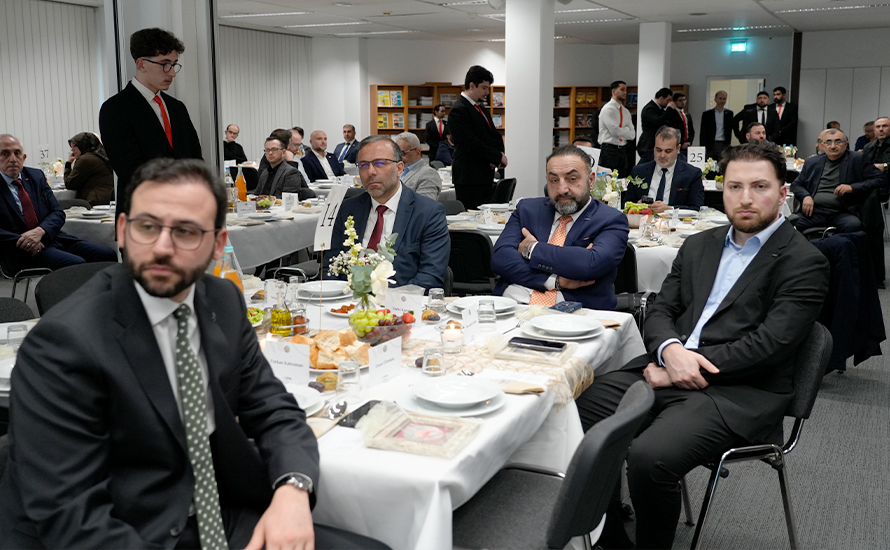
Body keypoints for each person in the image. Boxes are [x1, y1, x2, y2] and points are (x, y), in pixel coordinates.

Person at [0, 157, 387, 550]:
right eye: (147, 227)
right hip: (129, 531)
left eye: (186, 231)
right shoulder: (63, 343)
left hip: (217, 514)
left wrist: (293, 488)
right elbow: (72, 519)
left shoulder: (222, 300)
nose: (162, 247)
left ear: (218, 244)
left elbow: (275, 410)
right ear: (122, 230)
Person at [576, 140, 830, 550]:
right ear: (722, 190)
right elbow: (661, 310)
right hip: (663, 369)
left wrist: (682, 366)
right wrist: (670, 352)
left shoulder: (805, 261)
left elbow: (770, 345)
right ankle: (611, 538)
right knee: (576, 415)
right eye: (734, 187)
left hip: (738, 392)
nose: (745, 198)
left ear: (783, 193)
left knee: (649, 457)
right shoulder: (698, 244)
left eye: (760, 187)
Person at [491, 145, 628, 310]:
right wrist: (555, 281)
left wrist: (532, 249)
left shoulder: (611, 219)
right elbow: (500, 258)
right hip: (512, 304)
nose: (562, 189)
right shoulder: (527, 209)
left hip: (575, 312)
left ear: (591, 180)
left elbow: (590, 264)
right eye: (554, 180)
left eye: (572, 179)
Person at [99, 28, 202, 219]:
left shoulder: (177, 108)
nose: (172, 73)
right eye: (165, 64)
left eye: (174, 65)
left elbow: (195, 159)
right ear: (141, 64)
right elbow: (130, 169)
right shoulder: (115, 108)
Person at [325, 135, 449, 290]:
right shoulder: (347, 209)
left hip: (401, 301)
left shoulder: (428, 212)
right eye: (363, 165)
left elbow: (430, 277)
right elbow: (330, 268)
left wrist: (386, 301)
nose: (370, 172)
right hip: (349, 300)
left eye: (380, 163)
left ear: (399, 168)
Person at [0, 134, 117, 273]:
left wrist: (40, 231)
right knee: (76, 264)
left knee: (107, 254)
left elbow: (57, 212)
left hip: (51, 237)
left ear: (24, 157)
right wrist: (26, 240)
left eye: (17, 153)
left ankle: (105, 287)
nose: (13, 159)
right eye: (5, 154)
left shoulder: (36, 176)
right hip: (20, 249)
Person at [790, 128, 884, 233]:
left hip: (843, 212)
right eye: (828, 142)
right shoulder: (812, 162)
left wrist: (852, 187)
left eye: (838, 141)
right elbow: (796, 184)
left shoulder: (857, 159)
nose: (833, 146)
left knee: (854, 227)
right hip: (814, 212)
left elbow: (879, 179)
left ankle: (833, 244)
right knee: (787, 225)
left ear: (846, 144)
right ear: (823, 145)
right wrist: (806, 196)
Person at [449, 65, 507, 210]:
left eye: (488, 88)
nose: (487, 92)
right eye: (484, 88)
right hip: (469, 177)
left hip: (484, 174)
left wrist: (498, 154)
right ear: (472, 86)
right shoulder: (458, 110)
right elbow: (470, 143)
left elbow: (494, 135)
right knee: (472, 215)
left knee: (485, 214)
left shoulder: (480, 108)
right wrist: (495, 157)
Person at [626, 127, 704, 212]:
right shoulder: (639, 171)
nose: (662, 155)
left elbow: (696, 208)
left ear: (678, 149)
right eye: (658, 150)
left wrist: (669, 209)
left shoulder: (692, 174)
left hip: (676, 220)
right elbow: (625, 203)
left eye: (668, 151)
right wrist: (637, 206)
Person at [64, 132, 114, 206]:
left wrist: (68, 164)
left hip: (94, 201)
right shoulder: (102, 155)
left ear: (82, 145)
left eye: (74, 146)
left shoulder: (85, 159)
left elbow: (70, 184)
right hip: (107, 199)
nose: (72, 150)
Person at [598, 80, 635, 177]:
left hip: (623, 149)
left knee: (621, 180)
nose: (625, 92)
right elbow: (615, 131)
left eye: (626, 90)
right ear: (613, 91)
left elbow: (632, 135)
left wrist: (622, 131)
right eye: (622, 89)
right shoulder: (608, 109)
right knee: (607, 180)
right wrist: (626, 130)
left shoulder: (625, 111)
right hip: (609, 149)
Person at [393, 132, 441, 200]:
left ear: (417, 152)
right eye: (396, 153)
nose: (398, 157)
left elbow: (425, 204)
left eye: (402, 153)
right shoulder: (396, 170)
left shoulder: (428, 174)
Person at [636, 87, 672, 164]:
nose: (668, 103)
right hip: (648, 144)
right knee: (646, 165)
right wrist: (669, 108)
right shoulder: (650, 108)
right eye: (667, 100)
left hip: (654, 143)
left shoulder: (659, 109)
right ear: (661, 98)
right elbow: (658, 121)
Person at [699, 90, 734, 160]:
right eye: (720, 98)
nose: (722, 101)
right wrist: (702, 146)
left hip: (723, 144)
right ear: (715, 99)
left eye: (724, 99)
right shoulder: (707, 114)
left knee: (722, 162)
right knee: (709, 162)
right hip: (710, 143)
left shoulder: (729, 114)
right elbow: (703, 131)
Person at [664, 91, 694, 158]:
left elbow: (691, 130)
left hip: (687, 145)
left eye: (684, 100)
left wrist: (689, 142)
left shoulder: (687, 114)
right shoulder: (672, 114)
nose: (683, 102)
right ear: (674, 102)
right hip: (677, 144)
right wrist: (681, 143)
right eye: (680, 100)